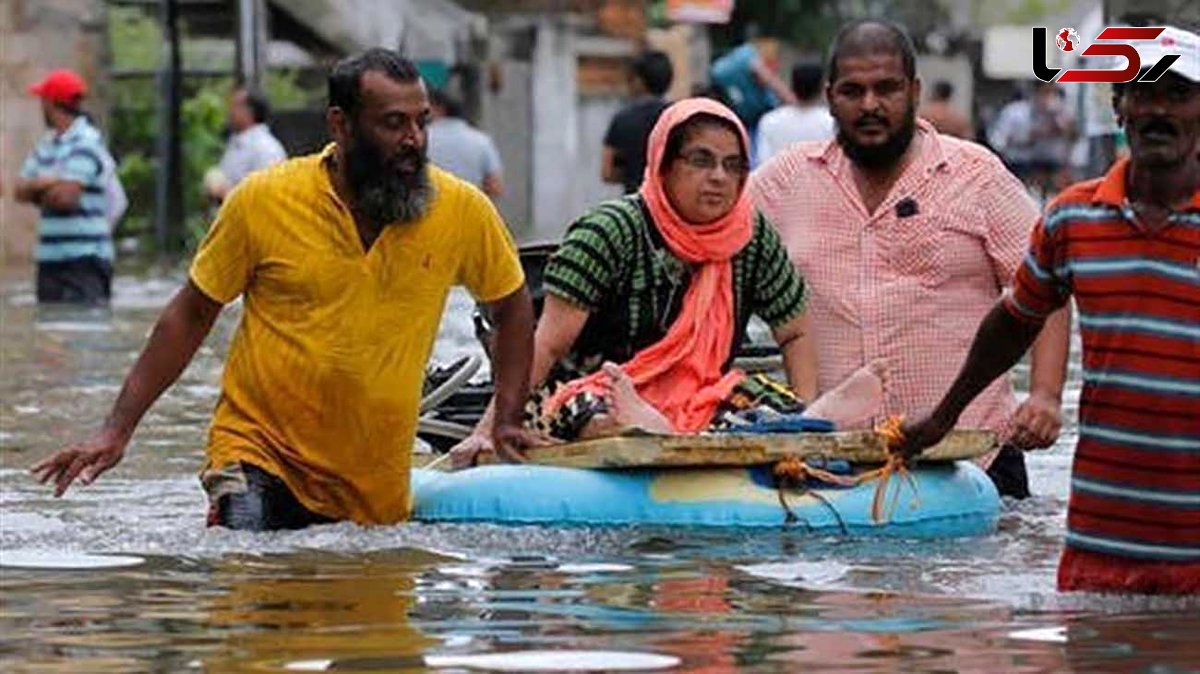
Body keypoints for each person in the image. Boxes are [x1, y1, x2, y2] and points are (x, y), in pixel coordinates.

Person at [30, 49, 536, 531]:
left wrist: (505, 419)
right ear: (340, 125)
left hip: (370, 483)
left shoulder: (461, 211)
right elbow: (190, 315)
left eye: (421, 121)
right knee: (247, 564)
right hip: (258, 450)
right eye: (393, 123)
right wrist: (117, 429)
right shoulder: (264, 201)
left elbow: (512, 309)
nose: (414, 140)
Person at [900, 27, 1200, 595]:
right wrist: (945, 416)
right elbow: (1015, 320)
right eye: (1144, 92)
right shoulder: (1072, 219)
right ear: (1119, 108)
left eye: (1179, 95)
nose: (1158, 109)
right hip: (1100, 548)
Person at [751, 20, 1072, 499]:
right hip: (837, 468)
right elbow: (711, 239)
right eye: (852, 91)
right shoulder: (786, 181)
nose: (870, 105)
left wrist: (1045, 395)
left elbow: (1048, 285)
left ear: (914, 90)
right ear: (829, 97)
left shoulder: (975, 176)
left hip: (973, 459)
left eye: (886, 88)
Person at [451, 98, 830, 467]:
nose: (719, 177)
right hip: (586, 388)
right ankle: (645, 425)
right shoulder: (610, 230)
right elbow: (545, 345)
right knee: (595, 416)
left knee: (774, 407)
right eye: (701, 161)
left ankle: (675, 427)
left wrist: (804, 426)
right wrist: (490, 428)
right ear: (663, 164)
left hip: (699, 395)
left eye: (733, 166)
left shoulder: (751, 235)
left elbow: (795, 331)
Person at [15, 69, 120, 304]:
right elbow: (19, 190)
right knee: (49, 330)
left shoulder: (88, 142)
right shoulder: (46, 144)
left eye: (42, 100)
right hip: (50, 261)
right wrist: (53, 181)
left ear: (51, 103)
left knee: (85, 332)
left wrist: (41, 185)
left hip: (85, 261)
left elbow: (66, 199)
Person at [602, 51, 673, 194]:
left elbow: (607, 173)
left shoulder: (622, 119)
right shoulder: (678, 117)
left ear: (639, 81)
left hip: (635, 203)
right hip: (670, 204)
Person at [988, 82, 1076, 196]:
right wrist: (1030, 136)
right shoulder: (1015, 113)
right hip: (1020, 165)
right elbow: (998, 141)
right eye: (1046, 92)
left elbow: (1072, 140)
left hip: (1051, 167)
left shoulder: (1061, 114)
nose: (1049, 97)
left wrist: (1061, 127)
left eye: (1053, 93)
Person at [204, 87, 287, 202]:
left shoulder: (266, 149)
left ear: (250, 111)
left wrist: (225, 194)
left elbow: (266, 197)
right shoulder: (237, 142)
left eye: (235, 106)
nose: (229, 111)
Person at [710, 38, 798, 140]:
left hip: (745, 119)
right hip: (759, 117)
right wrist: (793, 101)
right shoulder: (746, 56)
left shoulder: (717, 71)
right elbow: (769, 79)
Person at [427, 88, 504, 198]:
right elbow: (495, 187)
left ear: (439, 109)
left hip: (432, 210)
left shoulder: (422, 139)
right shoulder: (482, 141)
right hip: (470, 209)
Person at [755, 61, 835, 164]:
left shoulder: (770, 121)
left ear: (792, 85)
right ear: (821, 88)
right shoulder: (831, 122)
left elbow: (762, 161)